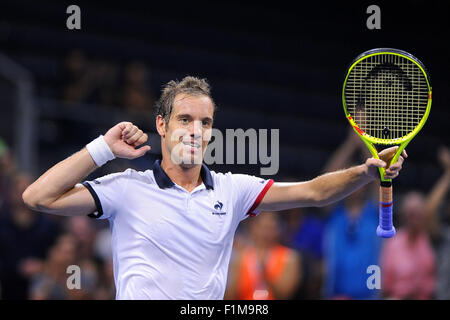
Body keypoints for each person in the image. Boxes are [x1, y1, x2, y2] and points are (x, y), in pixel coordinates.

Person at [23, 76, 406, 300]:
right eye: (185, 119)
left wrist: (366, 172)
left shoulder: (232, 190)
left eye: (204, 122)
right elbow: (38, 197)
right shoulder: (126, 188)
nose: (195, 130)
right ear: (162, 125)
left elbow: (314, 192)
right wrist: (103, 147)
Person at [380, 146, 450, 300]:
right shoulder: (392, 243)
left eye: (418, 214)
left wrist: (448, 175)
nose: (414, 219)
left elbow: (430, 209)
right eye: (410, 214)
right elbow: (385, 287)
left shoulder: (432, 238)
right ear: (403, 216)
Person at [224, 212, 301, 300]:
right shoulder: (240, 257)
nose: (267, 233)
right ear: (253, 228)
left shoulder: (289, 257)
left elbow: (284, 295)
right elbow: (230, 295)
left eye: (271, 228)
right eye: (263, 227)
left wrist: (264, 271)